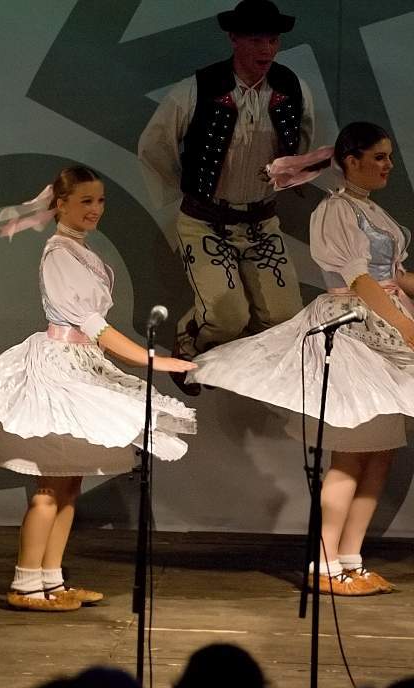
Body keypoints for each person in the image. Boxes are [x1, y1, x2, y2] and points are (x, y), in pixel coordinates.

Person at [0, 166, 196, 612]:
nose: (96, 209)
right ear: (61, 204)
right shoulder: (59, 252)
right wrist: (153, 359)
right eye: (85, 201)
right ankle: (26, 583)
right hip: (58, 369)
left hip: (79, 363)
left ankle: (51, 580)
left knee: (69, 482)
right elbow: (93, 324)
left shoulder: (80, 250)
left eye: (100, 201)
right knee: (49, 485)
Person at [190, 122, 413, 596]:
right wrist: (406, 326)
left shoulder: (375, 212)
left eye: (389, 156)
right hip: (355, 326)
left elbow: (395, 276)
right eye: (379, 157)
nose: (388, 165)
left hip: (387, 320)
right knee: (352, 450)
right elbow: (360, 280)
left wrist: (404, 309)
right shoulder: (335, 210)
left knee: (381, 452)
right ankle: (326, 564)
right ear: (351, 160)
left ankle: (351, 559)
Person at [137, 0, 313, 395]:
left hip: (261, 221)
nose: (267, 49)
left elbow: (302, 139)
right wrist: (188, 188)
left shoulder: (292, 89)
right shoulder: (197, 90)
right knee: (226, 314)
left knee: (284, 317)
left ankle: (226, 359)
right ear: (234, 39)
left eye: (273, 40)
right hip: (207, 221)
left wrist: (289, 175)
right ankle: (189, 344)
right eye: (256, 40)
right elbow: (154, 144)